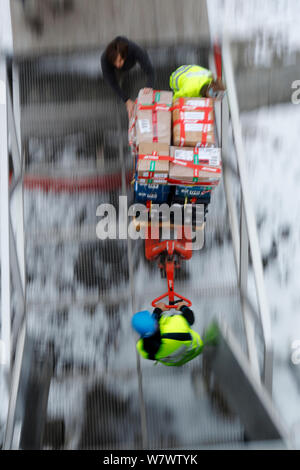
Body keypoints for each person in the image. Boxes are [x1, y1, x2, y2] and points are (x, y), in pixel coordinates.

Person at [131, 301, 203, 366]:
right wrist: (183, 307)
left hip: (173, 361)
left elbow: (151, 332)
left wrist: (157, 311)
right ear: (155, 324)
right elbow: (190, 318)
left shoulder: (142, 348)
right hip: (194, 349)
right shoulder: (177, 327)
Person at [101, 36, 155, 119]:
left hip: (131, 61)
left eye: (119, 61)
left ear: (124, 55)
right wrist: (126, 100)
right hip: (114, 71)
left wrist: (149, 86)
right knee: (116, 86)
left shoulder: (135, 49)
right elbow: (111, 82)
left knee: (143, 78)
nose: (118, 64)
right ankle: (123, 94)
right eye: (115, 63)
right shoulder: (105, 59)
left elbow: (150, 71)